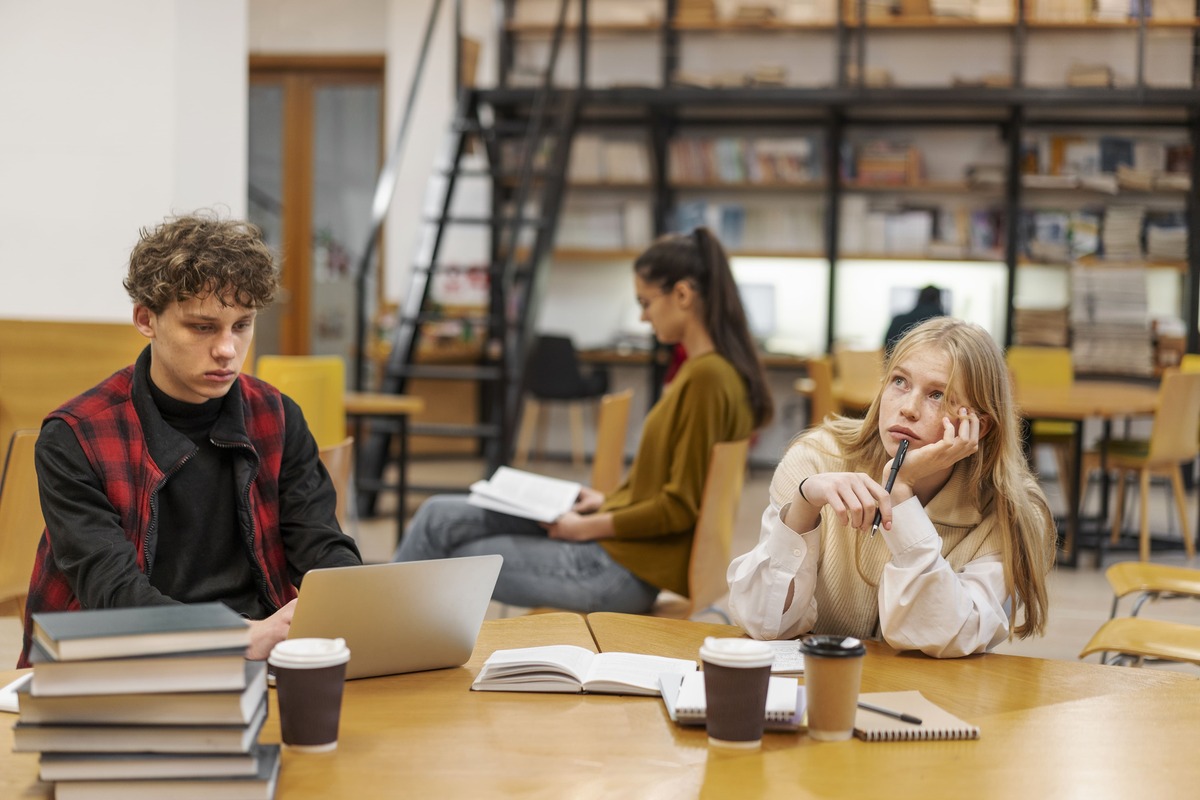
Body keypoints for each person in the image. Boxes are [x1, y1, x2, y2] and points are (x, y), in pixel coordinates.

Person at [19, 213, 362, 667]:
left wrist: (343, 604)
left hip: (260, 652)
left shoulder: (277, 415)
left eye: (242, 326)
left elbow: (320, 544)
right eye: (202, 327)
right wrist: (238, 637)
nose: (226, 349)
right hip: (114, 662)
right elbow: (114, 595)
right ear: (146, 318)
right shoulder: (76, 436)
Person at [395, 226, 772, 612]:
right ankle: (389, 636)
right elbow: (671, 491)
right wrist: (607, 502)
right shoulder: (715, 373)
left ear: (682, 295)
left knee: (452, 550)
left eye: (645, 302)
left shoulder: (706, 378)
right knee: (438, 516)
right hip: (622, 556)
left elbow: (678, 507)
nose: (643, 317)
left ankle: (381, 638)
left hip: (617, 571)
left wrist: (587, 526)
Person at [728, 317, 1055, 657]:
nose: (908, 408)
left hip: (932, 700)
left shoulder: (1009, 512)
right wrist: (803, 507)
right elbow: (762, 624)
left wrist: (900, 492)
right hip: (821, 689)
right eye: (900, 381)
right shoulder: (816, 460)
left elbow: (940, 636)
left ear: (978, 426)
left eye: (937, 395)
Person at [883, 284, 945, 355]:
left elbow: (886, 347)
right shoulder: (944, 325)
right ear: (938, 299)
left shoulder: (898, 320)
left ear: (919, 298)